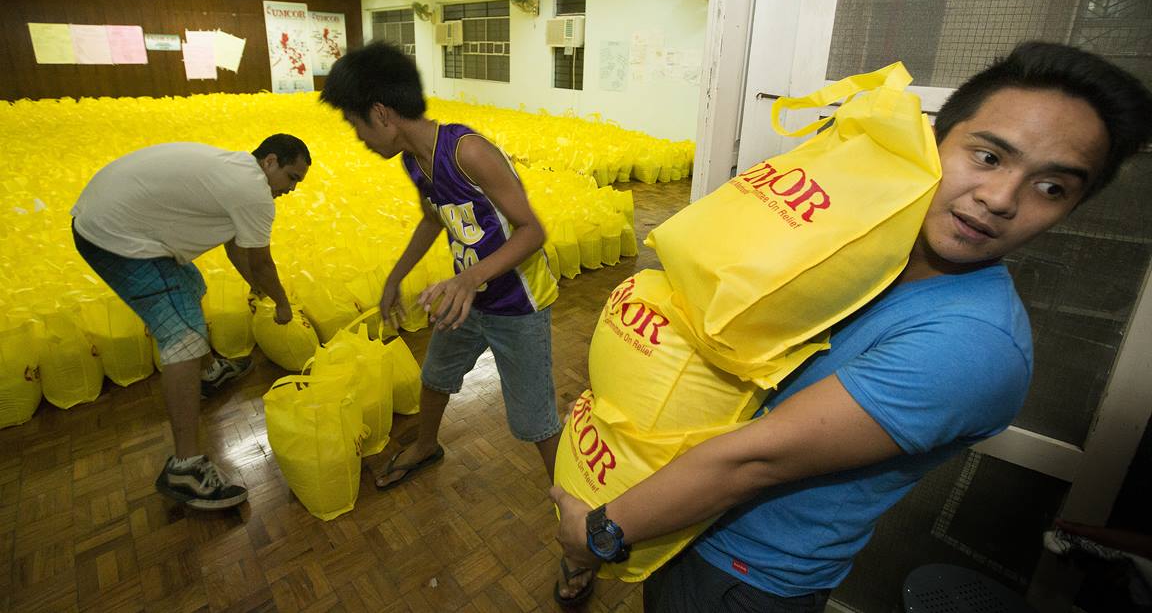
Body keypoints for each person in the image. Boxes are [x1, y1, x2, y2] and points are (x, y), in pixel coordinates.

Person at [550, 41, 1152, 610]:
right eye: (988, 156)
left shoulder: (971, 344)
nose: (1000, 197)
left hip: (740, 576)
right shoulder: (852, 245)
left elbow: (753, 462)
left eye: (1051, 187)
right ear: (933, 142)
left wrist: (600, 536)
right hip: (678, 522)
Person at [319, 42, 563, 491]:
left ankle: (575, 506)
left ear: (381, 114)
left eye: (357, 127)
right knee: (435, 376)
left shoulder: (468, 152)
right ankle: (426, 445)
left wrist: (470, 278)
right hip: (463, 299)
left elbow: (532, 231)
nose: (359, 139)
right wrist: (395, 277)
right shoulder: (415, 161)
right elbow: (434, 218)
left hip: (518, 306)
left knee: (536, 419)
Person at [71, 134, 310, 510]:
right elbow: (261, 261)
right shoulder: (254, 191)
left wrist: (257, 289)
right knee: (184, 336)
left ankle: (209, 371)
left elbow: (237, 249)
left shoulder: (237, 171)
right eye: (292, 178)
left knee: (191, 284)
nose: (292, 189)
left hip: (103, 216)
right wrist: (281, 304)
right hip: (115, 236)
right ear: (270, 162)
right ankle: (186, 468)